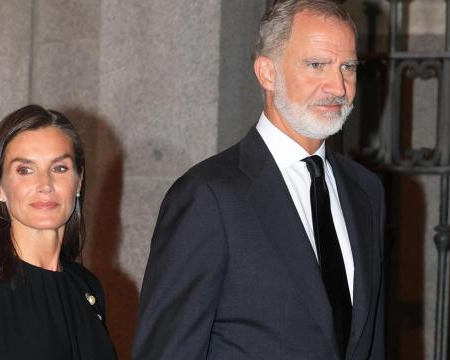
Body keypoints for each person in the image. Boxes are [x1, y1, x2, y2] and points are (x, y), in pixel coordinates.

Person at [133, 1, 385, 359]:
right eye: (316, 65)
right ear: (267, 73)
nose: (338, 86)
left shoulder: (365, 191)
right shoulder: (209, 196)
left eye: (347, 67)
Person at [0, 105, 117, 360]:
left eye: (59, 168)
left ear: (79, 181)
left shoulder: (87, 287)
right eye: (25, 170)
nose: (45, 185)